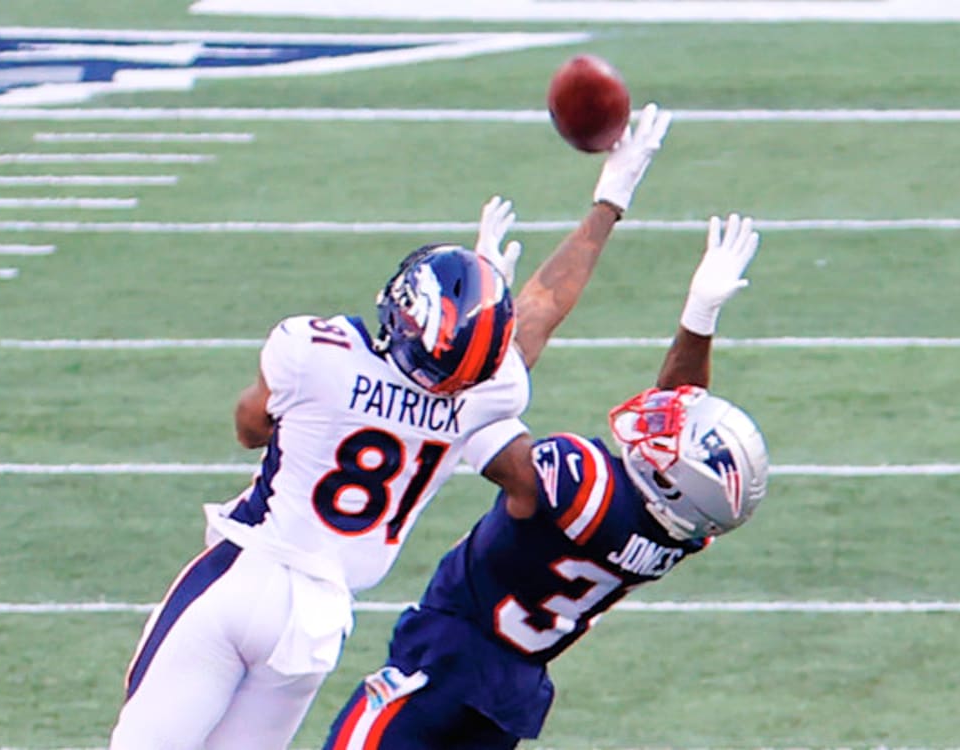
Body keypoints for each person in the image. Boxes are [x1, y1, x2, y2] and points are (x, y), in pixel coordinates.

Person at [109, 104, 674, 750]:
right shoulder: (479, 396)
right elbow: (541, 310)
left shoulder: (315, 350)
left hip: (247, 575)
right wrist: (610, 201)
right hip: (316, 623)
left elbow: (248, 426)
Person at [320, 214, 770, 749]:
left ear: (671, 481)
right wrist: (700, 317)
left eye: (669, 437)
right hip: (511, 692)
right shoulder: (681, 532)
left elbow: (471, 419)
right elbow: (677, 417)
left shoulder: (578, 481)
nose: (659, 423)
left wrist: (475, 334)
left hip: (446, 663)